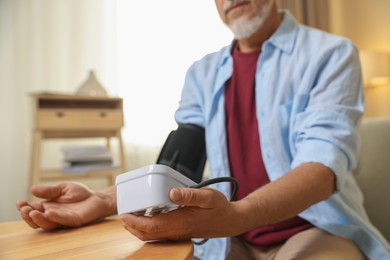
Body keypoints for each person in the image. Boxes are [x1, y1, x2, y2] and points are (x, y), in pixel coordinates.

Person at [16, 0, 390, 259]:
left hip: (316, 229)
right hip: (229, 236)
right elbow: (182, 162)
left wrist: (236, 215)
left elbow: (322, 169)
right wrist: (106, 200)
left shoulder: (330, 54)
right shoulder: (202, 73)